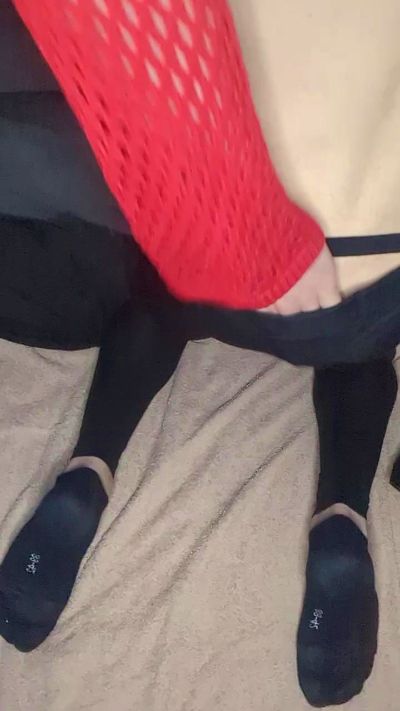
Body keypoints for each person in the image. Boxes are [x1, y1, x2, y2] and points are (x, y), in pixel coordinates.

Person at [3, 2, 400, 708]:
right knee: (359, 351)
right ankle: (342, 523)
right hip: (356, 276)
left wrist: (251, 236)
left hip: (201, 233)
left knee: (158, 301)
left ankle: (87, 471)